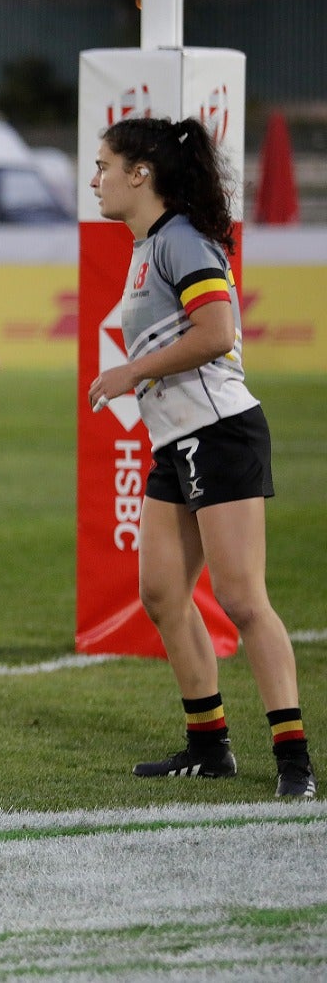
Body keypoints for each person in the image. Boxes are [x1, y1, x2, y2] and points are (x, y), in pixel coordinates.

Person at [88, 115, 314, 799]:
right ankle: (208, 745)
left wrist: (133, 372)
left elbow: (217, 333)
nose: (95, 180)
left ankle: (295, 760)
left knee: (243, 599)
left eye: (103, 166)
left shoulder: (180, 241)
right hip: (176, 442)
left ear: (140, 173)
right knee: (161, 593)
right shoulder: (148, 243)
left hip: (220, 433)